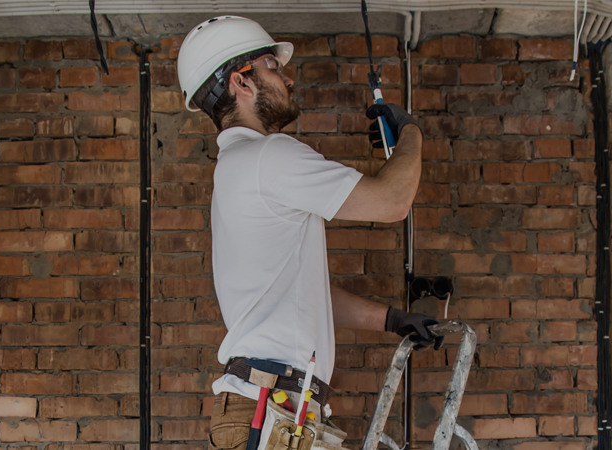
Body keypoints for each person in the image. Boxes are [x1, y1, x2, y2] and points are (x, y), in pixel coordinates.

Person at [177, 16, 444, 450]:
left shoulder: (237, 170)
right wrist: (411, 131)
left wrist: (391, 320)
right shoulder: (269, 156)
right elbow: (392, 201)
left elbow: (302, 296)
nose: (288, 78)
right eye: (271, 66)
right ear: (240, 84)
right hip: (271, 409)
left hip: (270, 407)